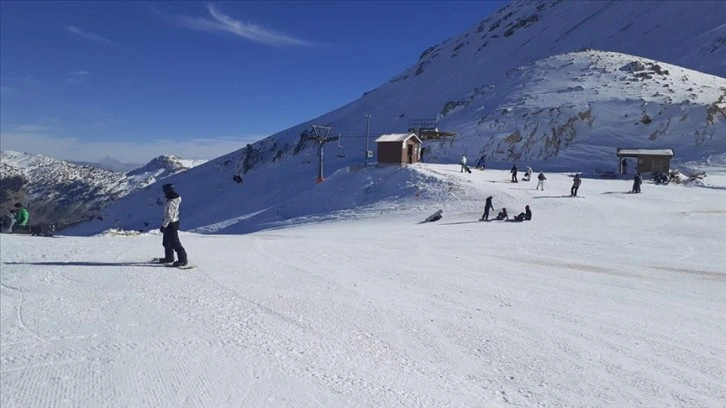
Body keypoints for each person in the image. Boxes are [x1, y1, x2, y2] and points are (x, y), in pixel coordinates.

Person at [157, 183, 188, 267]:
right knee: (166, 242)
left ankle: (183, 260)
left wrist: (164, 226)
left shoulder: (171, 202)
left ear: (168, 191)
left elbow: (169, 216)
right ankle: (169, 258)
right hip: (171, 223)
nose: (164, 192)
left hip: (171, 224)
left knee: (175, 243)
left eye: (165, 191)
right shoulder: (171, 199)